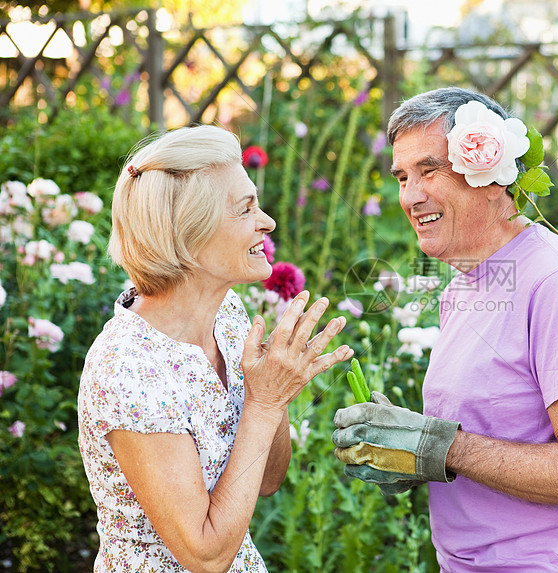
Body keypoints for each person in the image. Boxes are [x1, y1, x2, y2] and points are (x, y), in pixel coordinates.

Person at [332, 87, 558, 571]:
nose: (410, 196)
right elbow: (485, 434)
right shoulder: (464, 285)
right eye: (403, 177)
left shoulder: (556, 279)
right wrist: (408, 448)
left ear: (491, 176)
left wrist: (439, 444)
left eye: (430, 170)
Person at [78, 125, 353, 572]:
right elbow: (206, 556)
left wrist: (272, 390)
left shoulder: (227, 313)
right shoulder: (126, 367)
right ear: (189, 237)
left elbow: (266, 480)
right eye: (246, 209)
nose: (267, 221)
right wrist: (264, 403)